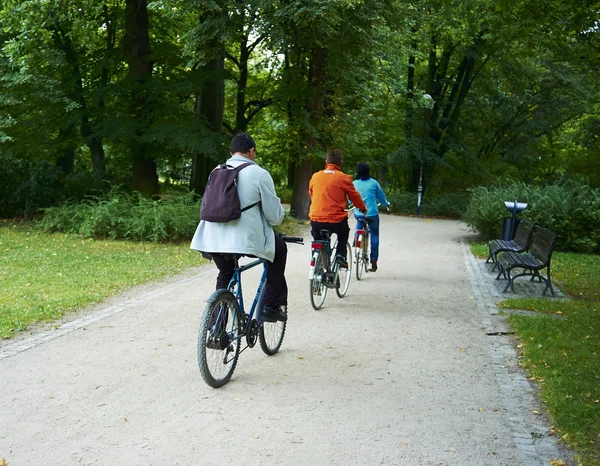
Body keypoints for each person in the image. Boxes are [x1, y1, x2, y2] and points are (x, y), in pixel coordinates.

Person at [190, 132, 288, 322]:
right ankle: (271, 306)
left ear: (231, 151)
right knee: (280, 250)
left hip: (211, 239)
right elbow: (274, 217)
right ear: (251, 151)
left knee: (225, 273)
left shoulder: (215, 170)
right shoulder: (259, 174)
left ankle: (216, 327)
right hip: (245, 240)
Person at [308, 148, 367, 268]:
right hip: (336, 221)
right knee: (343, 232)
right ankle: (340, 255)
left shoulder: (315, 176)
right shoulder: (344, 178)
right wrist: (362, 208)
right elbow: (354, 196)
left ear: (326, 162)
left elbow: (312, 194)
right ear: (340, 163)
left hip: (316, 219)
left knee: (318, 239)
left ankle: (318, 258)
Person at [353, 162, 390, 272]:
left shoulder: (354, 183)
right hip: (372, 213)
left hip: (359, 212)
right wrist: (386, 204)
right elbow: (382, 198)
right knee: (374, 235)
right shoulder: (374, 183)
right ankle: (374, 260)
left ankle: (356, 239)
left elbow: (350, 198)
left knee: (359, 221)